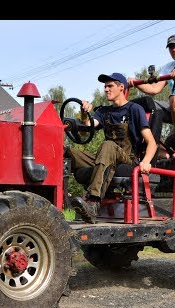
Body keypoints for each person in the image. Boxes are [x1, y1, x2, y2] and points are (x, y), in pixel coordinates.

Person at [65, 72, 158, 224]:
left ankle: (93, 202)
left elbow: (152, 143)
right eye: (105, 86)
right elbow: (88, 126)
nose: (106, 89)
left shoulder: (134, 109)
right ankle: (55, 201)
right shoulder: (103, 112)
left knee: (108, 145)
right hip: (105, 157)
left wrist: (146, 161)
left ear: (122, 87)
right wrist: (84, 113)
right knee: (68, 152)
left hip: (127, 159)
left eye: (110, 86)